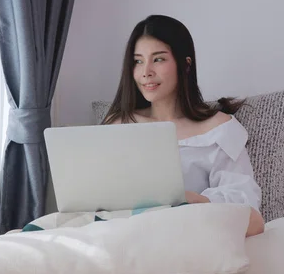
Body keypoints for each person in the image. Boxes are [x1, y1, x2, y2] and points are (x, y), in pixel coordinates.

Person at [102, 14, 265, 237]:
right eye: (138, 61)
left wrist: (194, 199)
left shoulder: (219, 129)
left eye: (158, 59)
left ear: (185, 64)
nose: (146, 71)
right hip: (118, 236)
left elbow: (246, 205)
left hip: (184, 237)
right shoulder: (118, 125)